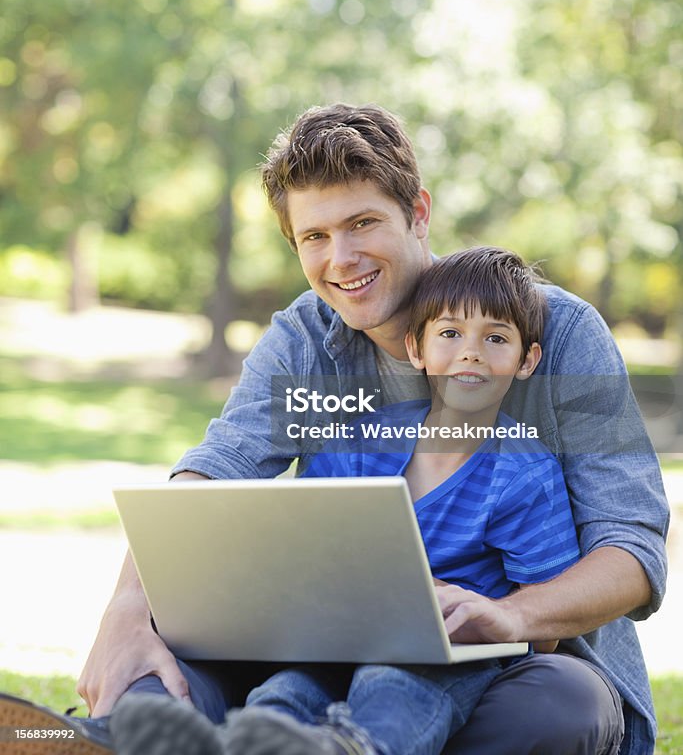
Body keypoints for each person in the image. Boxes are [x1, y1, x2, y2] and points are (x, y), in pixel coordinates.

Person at [0, 104, 669, 755]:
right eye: (315, 237)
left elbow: (632, 547)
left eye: (362, 223)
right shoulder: (305, 338)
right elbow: (215, 470)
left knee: (555, 709)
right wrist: (124, 610)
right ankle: (122, 738)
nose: (341, 258)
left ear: (419, 214)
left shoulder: (550, 329)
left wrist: (514, 617)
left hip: (509, 663)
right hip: (325, 654)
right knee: (158, 670)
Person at [112, 245, 582, 755]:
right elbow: (305, 546)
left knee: (394, 685)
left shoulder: (526, 475)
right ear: (416, 349)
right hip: (338, 637)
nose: (470, 352)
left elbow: (547, 629)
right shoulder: (359, 442)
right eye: (450, 334)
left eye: (495, 338)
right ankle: (211, 746)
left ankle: (347, 750)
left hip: (450, 656)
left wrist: (485, 613)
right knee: (284, 691)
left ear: (526, 360)